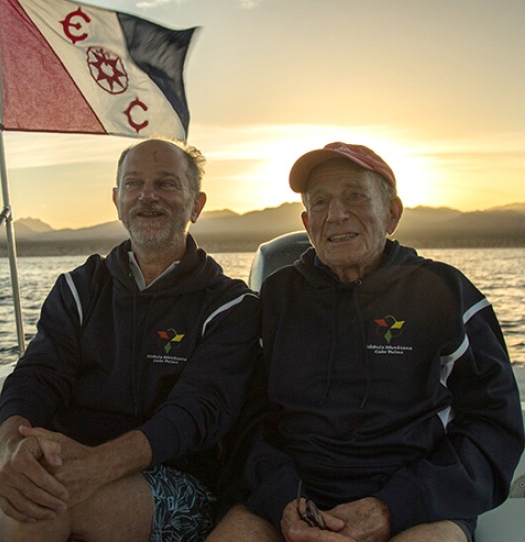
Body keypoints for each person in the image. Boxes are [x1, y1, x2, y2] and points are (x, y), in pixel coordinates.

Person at [208, 142, 524, 542]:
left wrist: (396, 505)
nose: (336, 214)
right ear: (307, 223)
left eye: (355, 196)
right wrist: (283, 501)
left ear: (392, 213)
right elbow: (248, 420)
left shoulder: (446, 294)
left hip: (417, 506)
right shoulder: (276, 299)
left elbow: (494, 422)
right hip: (290, 502)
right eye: (320, 202)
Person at [0, 137, 261, 542]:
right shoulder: (79, 290)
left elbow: (196, 412)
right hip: (79, 464)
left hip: (183, 483)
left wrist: (98, 466)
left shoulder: (231, 306)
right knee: (42, 492)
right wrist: (9, 446)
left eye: (166, 184)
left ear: (196, 204)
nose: (147, 196)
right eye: (134, 184)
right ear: (117, 200)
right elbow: (37, 375)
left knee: (48, 503)